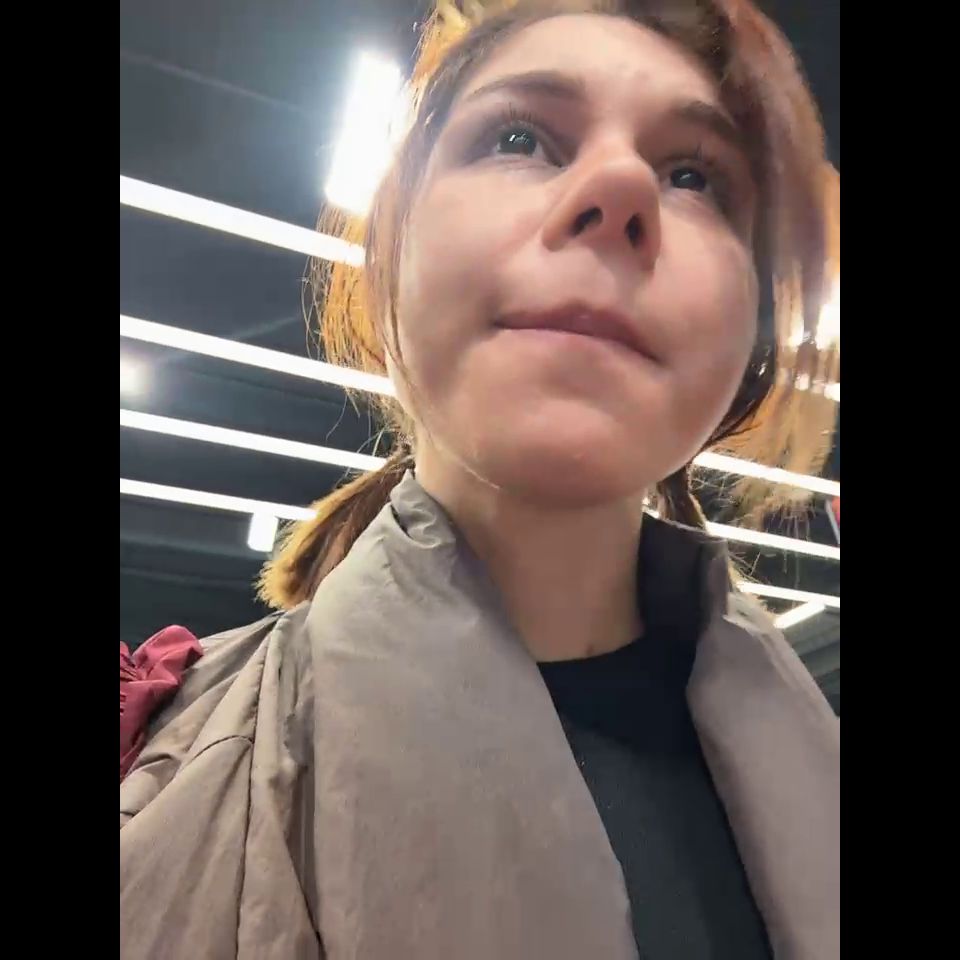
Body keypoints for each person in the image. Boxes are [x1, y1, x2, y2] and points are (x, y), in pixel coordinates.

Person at [119, 1, 840, 958]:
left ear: (750, 341)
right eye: (518, 137)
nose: (620, 185)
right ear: (392, 251)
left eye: (694, 177)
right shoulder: (149, 763)